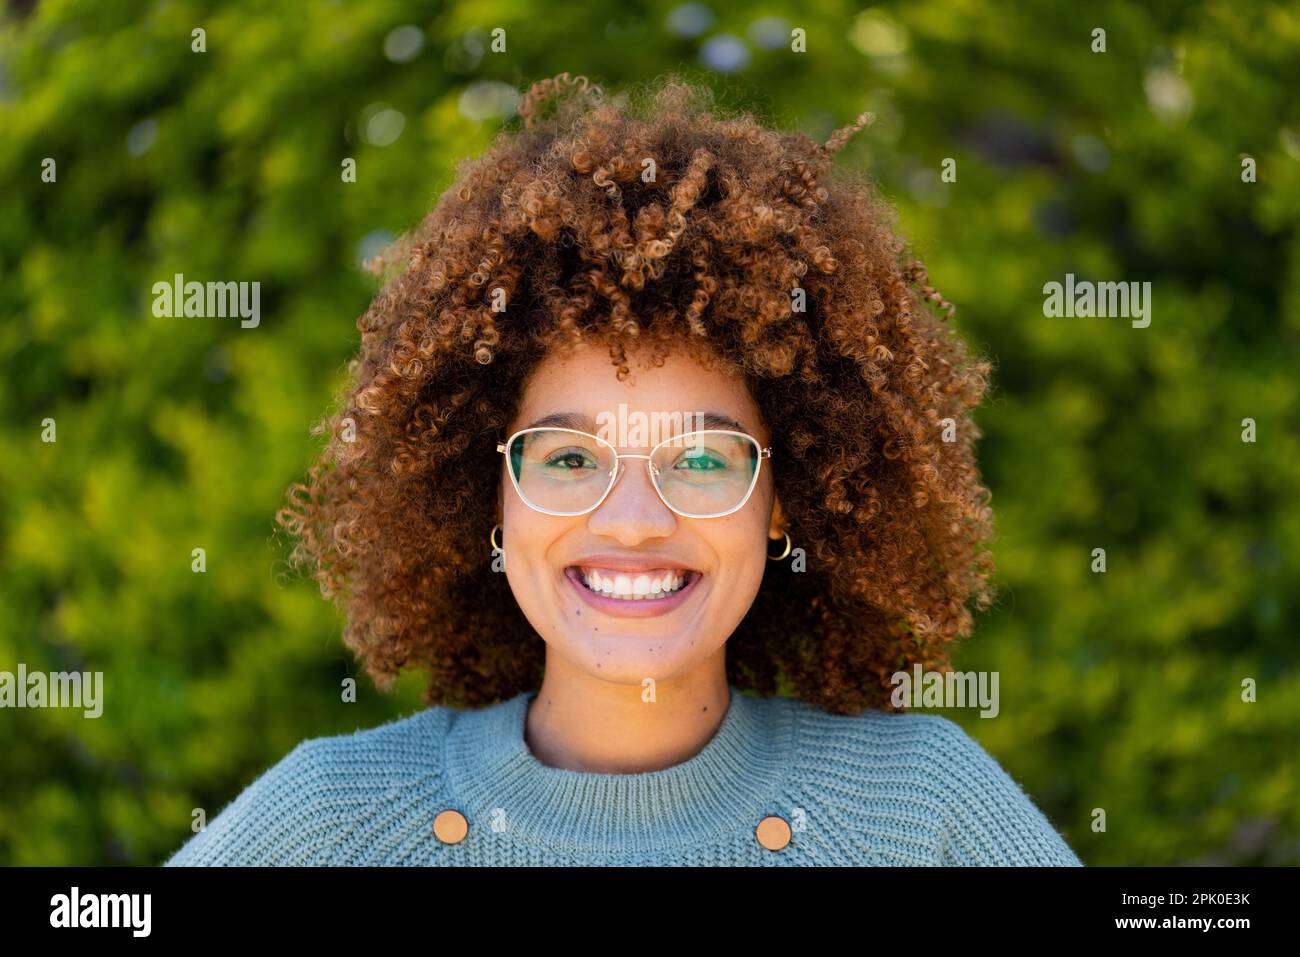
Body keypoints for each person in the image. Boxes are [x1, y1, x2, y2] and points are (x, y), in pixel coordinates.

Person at [164, 72, 1082, 866]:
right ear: (489, 495)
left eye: (699, 457)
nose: (633, 519)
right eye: (569, 457)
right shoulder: (333, 821)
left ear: (782, 503)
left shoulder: (919, 812)